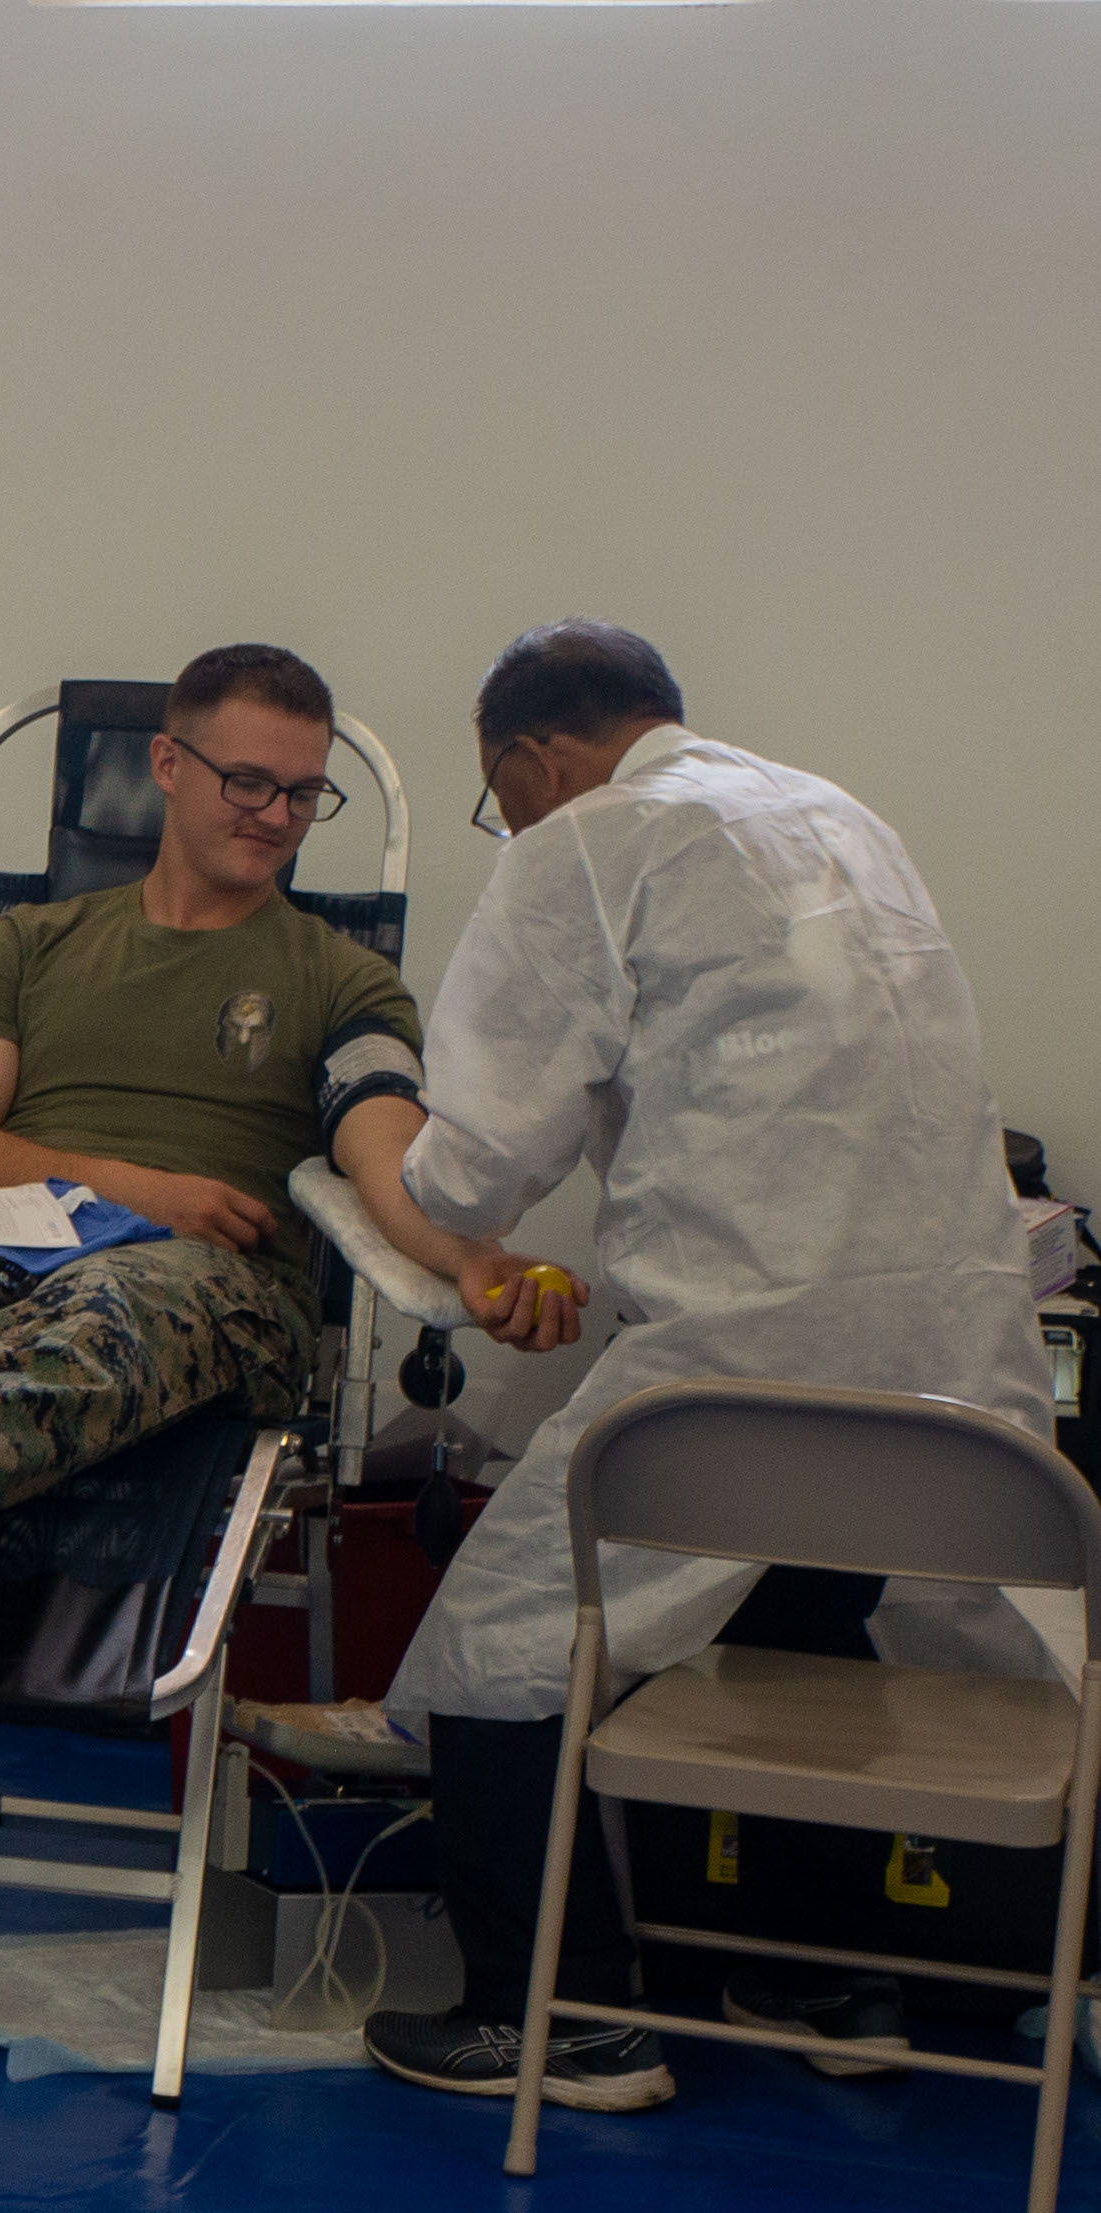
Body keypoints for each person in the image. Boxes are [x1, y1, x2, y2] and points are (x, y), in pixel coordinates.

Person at [360, 621, 1060, 2114]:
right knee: (814, 1613)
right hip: (955, 1366)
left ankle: (555, 2022)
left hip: (746, 1360)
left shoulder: (586, 848)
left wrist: (396, 1169)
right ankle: (821, 1974)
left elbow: (478, 1167)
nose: (515, 827)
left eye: (506, 801)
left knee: (498, 1647)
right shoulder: (837, 819)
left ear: (533, 764)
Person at [0, 644, 580, 1739]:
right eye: (249, 783)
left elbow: (386, 1156)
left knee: (106, 1313)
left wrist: (471, 1259)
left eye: (306, 793)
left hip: (197, 1286)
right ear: (167, 765)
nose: (277, 815)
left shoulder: (339, 976)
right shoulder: (31, 943)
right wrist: (138, 1185)